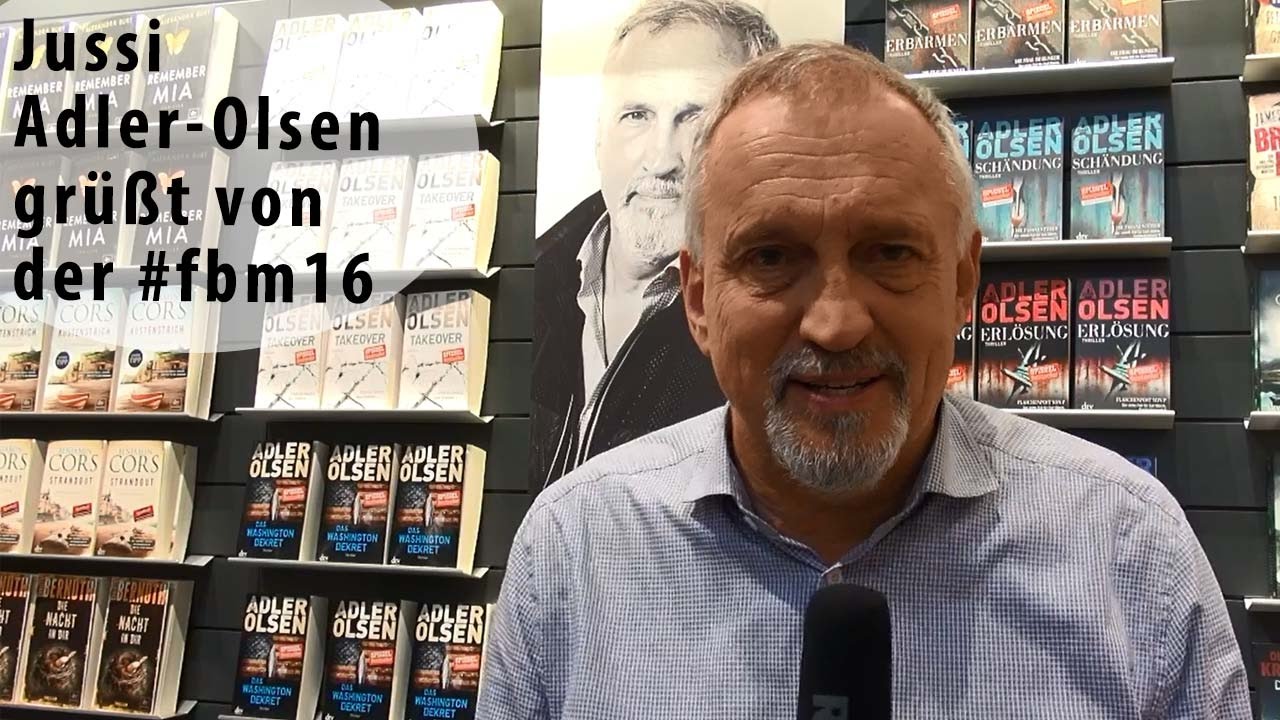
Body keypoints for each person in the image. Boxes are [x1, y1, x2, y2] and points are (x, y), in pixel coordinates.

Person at [479, 43, 1250, 718]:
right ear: (700, 300)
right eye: (771, 257)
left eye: (889, 253)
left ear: (962, 282)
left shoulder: (1131, 555)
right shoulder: (572, 552)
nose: (836, 324)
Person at [531, 0, 780, 487]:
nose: (661, 159)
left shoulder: (774, 321)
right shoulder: (538, 277)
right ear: (599, 137)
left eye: (695, 118)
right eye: (636, 115)